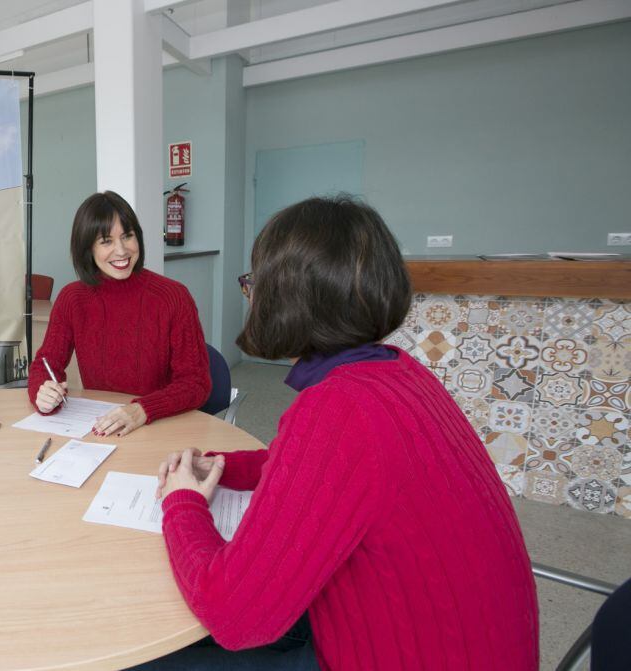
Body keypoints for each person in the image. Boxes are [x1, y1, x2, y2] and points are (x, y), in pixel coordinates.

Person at [150, 196, 538, 670]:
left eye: (253, 284)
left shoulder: (338, 408)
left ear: (284, 300)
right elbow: (325, 474)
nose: (249, 295)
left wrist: (181, 503)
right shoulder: (399, 373)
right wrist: (225, 465)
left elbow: (233, 616)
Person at [28, 191, 210, 437]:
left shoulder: (173, 297)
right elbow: (45, 364)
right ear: (87, 248)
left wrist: (143, 410)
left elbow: (196, 383)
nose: (121, 250)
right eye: (106, 241)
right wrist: (42, 391)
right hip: (104, 427)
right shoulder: (72, 298)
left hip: (160, 424)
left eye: (128, 236)